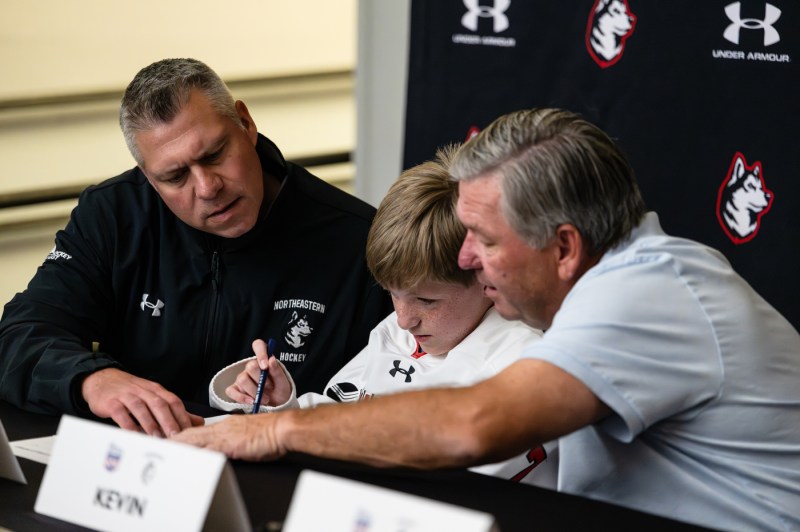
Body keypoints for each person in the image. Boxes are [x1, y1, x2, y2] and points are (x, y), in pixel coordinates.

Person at [173, 108, 800, 530]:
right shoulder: (618, 277)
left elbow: (472, 427)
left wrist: (274, 432)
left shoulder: (648, 293)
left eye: (484, 239)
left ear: (563, 247)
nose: (468, 259)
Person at [0, 58, 391, 438]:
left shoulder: (360, 240)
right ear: (149, 179)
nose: (207, 188)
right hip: (138, 471)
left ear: (246, 123)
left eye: (215, 154)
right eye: (174, 176)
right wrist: (90, 378)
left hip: (287, 478)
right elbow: (19, 336)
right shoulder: (114, 215)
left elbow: (399, 399)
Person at [207, 146, 554, 487]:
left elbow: (425, 477)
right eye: (391, 293)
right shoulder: (407, 328)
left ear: (487, 276)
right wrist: (283, 406)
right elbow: (342, 407)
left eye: (427, 300)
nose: (403, 319)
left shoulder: (524, 364)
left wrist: (293, 431)